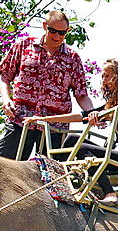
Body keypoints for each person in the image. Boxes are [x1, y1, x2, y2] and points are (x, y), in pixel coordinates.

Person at [23, 58, 118, 206]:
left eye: (107, 76)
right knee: (72, 139)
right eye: (103, 76)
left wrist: (102, 115)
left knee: (82, 149)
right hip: (116, 153)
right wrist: (44, 118)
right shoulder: (113, 103)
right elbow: (82, 116)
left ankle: (110, 194)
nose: (104, 80)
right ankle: (60, 177)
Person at [0, 10, 94, 160]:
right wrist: (6, 99)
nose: (57, 36)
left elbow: (81, 95)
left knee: (51, 177)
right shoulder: (24, 45)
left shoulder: (73, 59)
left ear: (67, 31)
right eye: (53, 31)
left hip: (54, 128)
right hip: (20, 119)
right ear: (45, 26)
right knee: (5, 167)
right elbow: (4, 74)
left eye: (61, 33)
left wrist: (92, 113)